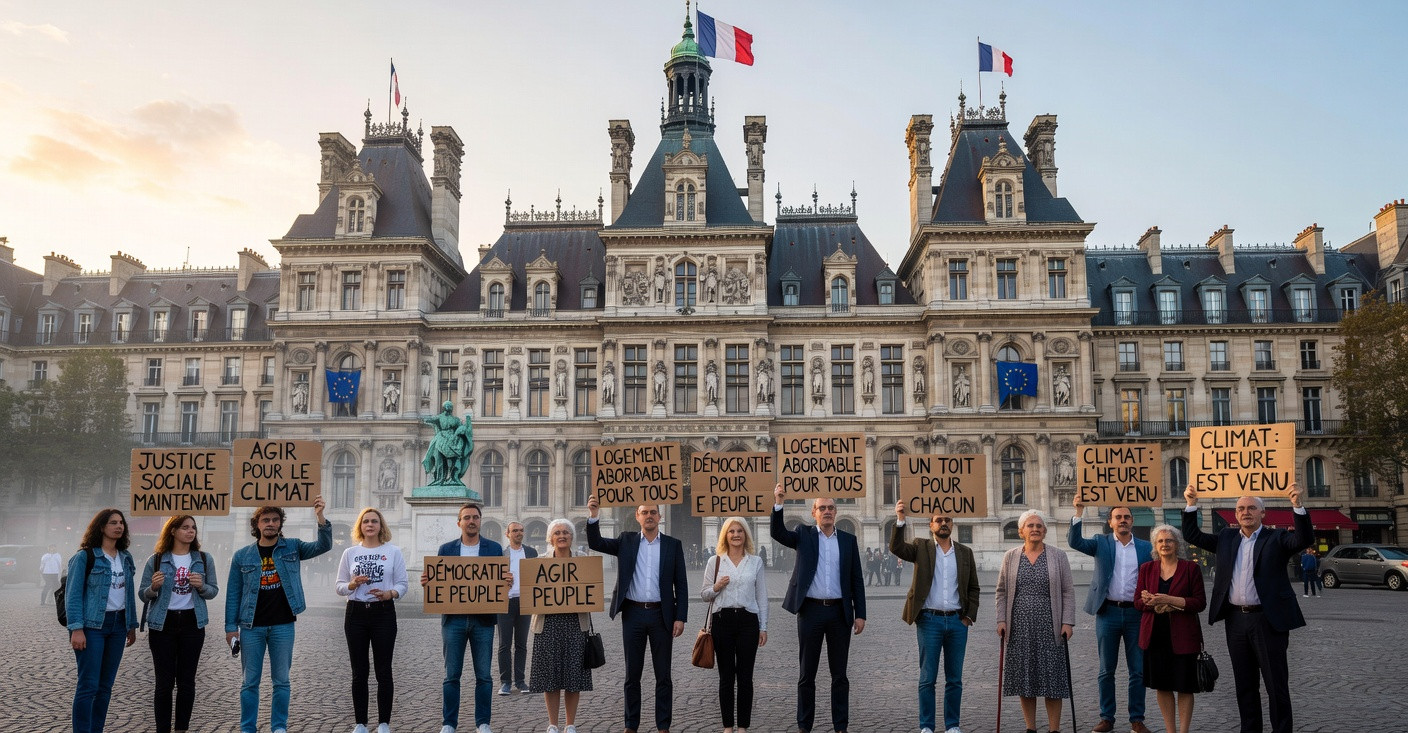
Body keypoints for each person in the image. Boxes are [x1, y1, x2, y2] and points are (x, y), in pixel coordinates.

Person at [1182, 483, 1312, 733]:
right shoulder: (1227, 538)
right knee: (1244, 683)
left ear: (1262, 513)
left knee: (1276, 685)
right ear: (1235, 514)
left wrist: (1297, 505)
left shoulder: (1276, 537)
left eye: (1252, 507)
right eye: (1241, 508)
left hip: (1268, 620)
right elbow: (1193, 536)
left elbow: (1303, 538)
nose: (1246, 512)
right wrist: (1190, 504)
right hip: (1236, 621)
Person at [225, 499, 332, 733]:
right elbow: (233, 593)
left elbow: (323, 546)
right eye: (266, 520)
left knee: (281, 681)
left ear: (280, 524)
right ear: (257, 525)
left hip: (283, 625)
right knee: (249, 682)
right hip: (251, 626)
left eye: (275, 520)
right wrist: (230, 628)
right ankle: (247, 728)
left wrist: (320, 518)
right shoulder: (242, 556)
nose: (271, 524)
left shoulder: (292, 547)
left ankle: (279, 727)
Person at [586, 496, 689, 733]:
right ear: (638, 516)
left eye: (653, 512)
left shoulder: (673, 545)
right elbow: (596, 543)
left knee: (663, 675)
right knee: (632, 674)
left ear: (659, 517)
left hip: (661, 615)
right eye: (645, 512)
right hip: (632, 614)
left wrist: (680, 617)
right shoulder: (626, 541)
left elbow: (681, 584)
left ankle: (663, 725)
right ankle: (631, 725)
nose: (649, 516)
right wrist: (593, 516)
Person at [770, 483, 866, 733]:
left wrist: (861, 614)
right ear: (814, 512)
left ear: (835, 512)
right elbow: (778, 533)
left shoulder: (848, 540)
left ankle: (841, 726)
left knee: (840, 675)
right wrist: (779, 502)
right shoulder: (803, 534)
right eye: (822, 507)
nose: (827, 511)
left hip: (839, 613)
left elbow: (856, 578)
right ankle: (804, 725)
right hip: (810, 611)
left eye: (831, 507)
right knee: (806, 674)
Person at [893, 502, 980, 733]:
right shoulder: (920, 547)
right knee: (927, 678)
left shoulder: (965, 552)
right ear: (930, 524)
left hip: (957, 621)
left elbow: (973, 588)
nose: (944, 523)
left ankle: (952, 725)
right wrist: (900, 518)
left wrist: (969, 616)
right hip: (929, 620)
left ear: (952, 524)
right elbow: (896, 548)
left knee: (954, 679)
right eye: (939, 520)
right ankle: (927, 726)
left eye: (947, 520)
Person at [1068, 500, 1153, 733]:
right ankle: (1107, 717)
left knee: (1138, 670)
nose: (1123, 520)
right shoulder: (1100, 542)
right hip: (1108, 613)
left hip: (1137, 614)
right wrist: (1078, 511)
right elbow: (1074, 542)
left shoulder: (1147, 547)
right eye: (1118, 517)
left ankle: (1137, 718)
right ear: (1111, 522)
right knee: (1107, 670)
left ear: (1132, 521)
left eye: (1126, 517)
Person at [424, 502, 504, 733]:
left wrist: (505, 582)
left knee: (485, 676)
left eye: (475, 517)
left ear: (480, 521)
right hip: (454, 620)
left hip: (484, 621)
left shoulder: (495, 548)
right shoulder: (446, 549)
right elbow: (439, 581)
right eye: (467, 517)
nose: (471, 521)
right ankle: (449, 723)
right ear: (459, 522)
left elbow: (498, 584)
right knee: (451, 675)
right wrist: (429, 584)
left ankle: (483, 723)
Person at [995, 510, 1075, 733]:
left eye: (1039, 526)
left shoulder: (1058, 556)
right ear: (1021, 531)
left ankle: (1054, 729)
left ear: (1045, 531)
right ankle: (1031, 728)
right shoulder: (1010, 556)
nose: (1035, 529)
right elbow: (1001, 591)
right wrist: (1001, 619)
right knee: (1025, 679)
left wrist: (1067, 621)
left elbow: (1068, 591)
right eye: (1030, 526)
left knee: (1053, 681)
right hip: (1018, 625)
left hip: (1051, 625)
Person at [140, 515, 220, 733]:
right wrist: (153, 588)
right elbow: (142, 594)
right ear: (172, 531)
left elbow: (213, 591)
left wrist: (202, 587)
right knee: (164, 684)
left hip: (192, 623)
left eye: (193, 527)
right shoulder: (156, 560)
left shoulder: (204, 559)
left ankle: (181, 729)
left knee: (187, 682)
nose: (191, 531)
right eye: (185, 527)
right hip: (162, 625)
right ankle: (163, 729)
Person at [336, 507, 409, 733]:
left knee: (383, 670)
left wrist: (390, 594)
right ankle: (360, 723)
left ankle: (384, 722)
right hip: (355, 613)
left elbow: (402, 584)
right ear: (360, 526)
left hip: (384, 613)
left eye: (374, 521)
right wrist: (351, 585)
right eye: (365, 521)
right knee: (359, 671)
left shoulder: (393, 551)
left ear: (381, 526)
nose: (370, 525)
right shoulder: (350, 553)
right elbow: (338, 586)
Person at [67, 508, 139, 733]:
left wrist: (131, 625)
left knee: (105, 686)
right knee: (88, 685)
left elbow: (128, 594)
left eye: (121, 523)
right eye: (112, 523)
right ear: (100, 527)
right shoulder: (85, 556)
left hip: (118, 625)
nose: (119, 526)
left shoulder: (125, 557)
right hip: (92, 626)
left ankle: (96, 729)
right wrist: (76, 629)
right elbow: (73, 595)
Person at [1134, 525, 1206, 733]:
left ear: (1177, 544)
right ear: (1155, 546)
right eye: (1160, 541)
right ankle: (1170, 730)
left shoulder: (1191, 568)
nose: (1165, 544)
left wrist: (1171, 601)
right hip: (1155, 635)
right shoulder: (1147, 568)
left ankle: (1183, 731)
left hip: (1183, 636)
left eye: (1169, 540)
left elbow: (1199, 603)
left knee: (1185, 686)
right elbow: (1137, 602)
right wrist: (1149, 602)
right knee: (1162, 685)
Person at [701, 516, 769, 733]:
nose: (736, 535)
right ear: (725, 535)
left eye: (740, 531)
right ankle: (728, 726)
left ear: (746, 534)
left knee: (746, 676)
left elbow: (762, 597)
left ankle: (743, 726)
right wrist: (717, 586)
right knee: (726, 676)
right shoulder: (715, 561)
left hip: (749, 621)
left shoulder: (755, 561)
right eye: (731, 531)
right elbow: (704, 594)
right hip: (723, 621)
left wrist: (763, 626)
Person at [529, 519, 594, 733]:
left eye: (566, 532)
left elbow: (593, 589)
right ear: (550, 538)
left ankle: (570, 724)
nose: (562, 535)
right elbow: (530, 591)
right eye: (557, 532)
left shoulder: (584, 561)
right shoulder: (539, 562)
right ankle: (553, 724)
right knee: (550, 676)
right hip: (547, 624)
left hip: (575, 623)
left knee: (573, 676)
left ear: (572, 536)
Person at [498, 521, 539, 695]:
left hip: (524, 601)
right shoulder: (500, 554)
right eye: (515, 531)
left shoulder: (531, 552)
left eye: (521, 530)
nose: (519, 533)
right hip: (505, 602)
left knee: (521, 644)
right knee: (504, 644)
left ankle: (521, 681)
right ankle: (505, 682)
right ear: (507, 534)